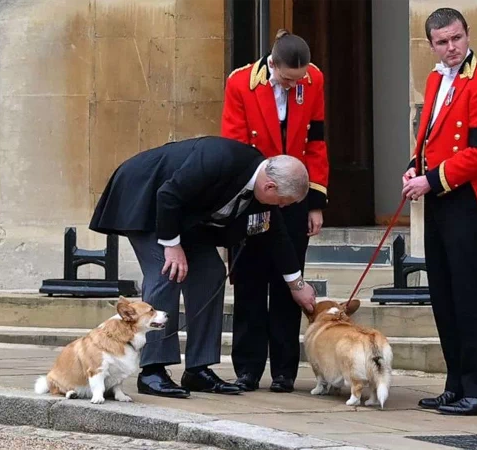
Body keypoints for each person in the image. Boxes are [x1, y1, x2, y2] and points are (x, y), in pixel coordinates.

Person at [89, 136, 317, 399]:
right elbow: (168, 194)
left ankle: (198, 368)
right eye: (282, 201)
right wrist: (172, 246)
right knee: (167, 271)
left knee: (211, 272)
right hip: (145, 198)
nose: (282, 207)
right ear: (270, 186)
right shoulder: (220, 158)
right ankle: (153, 370)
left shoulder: (261, 190)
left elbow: (276, 235)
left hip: (186, 219)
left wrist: (296, 284)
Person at [401, 8, 477, 416]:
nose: (451, 48)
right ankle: (457, 383)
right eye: (442, 41)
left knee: (470, 299)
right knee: (443, 297)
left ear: (467, 35)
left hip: (468, 203)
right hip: (440, 199)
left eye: (457, 39)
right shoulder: (434, 79)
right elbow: (429, 134)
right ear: (431, 44)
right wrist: (415, 165)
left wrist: (431, 179)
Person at [220, 29, 329, 393]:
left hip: (295, 195)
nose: (292, 85)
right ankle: (248, 369)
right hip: (257, 191)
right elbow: (233, 146)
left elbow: (316, 142)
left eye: (298, 80)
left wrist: (315, 202)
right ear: (272, 64)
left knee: (288, 283)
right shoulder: (240, 83)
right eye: (286, 78)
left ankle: (284, 371)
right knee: (250, 281)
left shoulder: (313, 80)